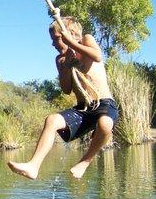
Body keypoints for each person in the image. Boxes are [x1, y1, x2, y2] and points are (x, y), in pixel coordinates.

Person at [8, 16, 118, 179]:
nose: (53, 44)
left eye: (56, 39)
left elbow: (97, 56)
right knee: (52, 120)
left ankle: (85, 162)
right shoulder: (60, 60)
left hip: (104, 104)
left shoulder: (86, 40)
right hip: (83, 108)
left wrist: (72, 44)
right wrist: (66, 66)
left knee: (105, 123)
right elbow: (66, 89)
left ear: (71, 34)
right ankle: (33, 166)